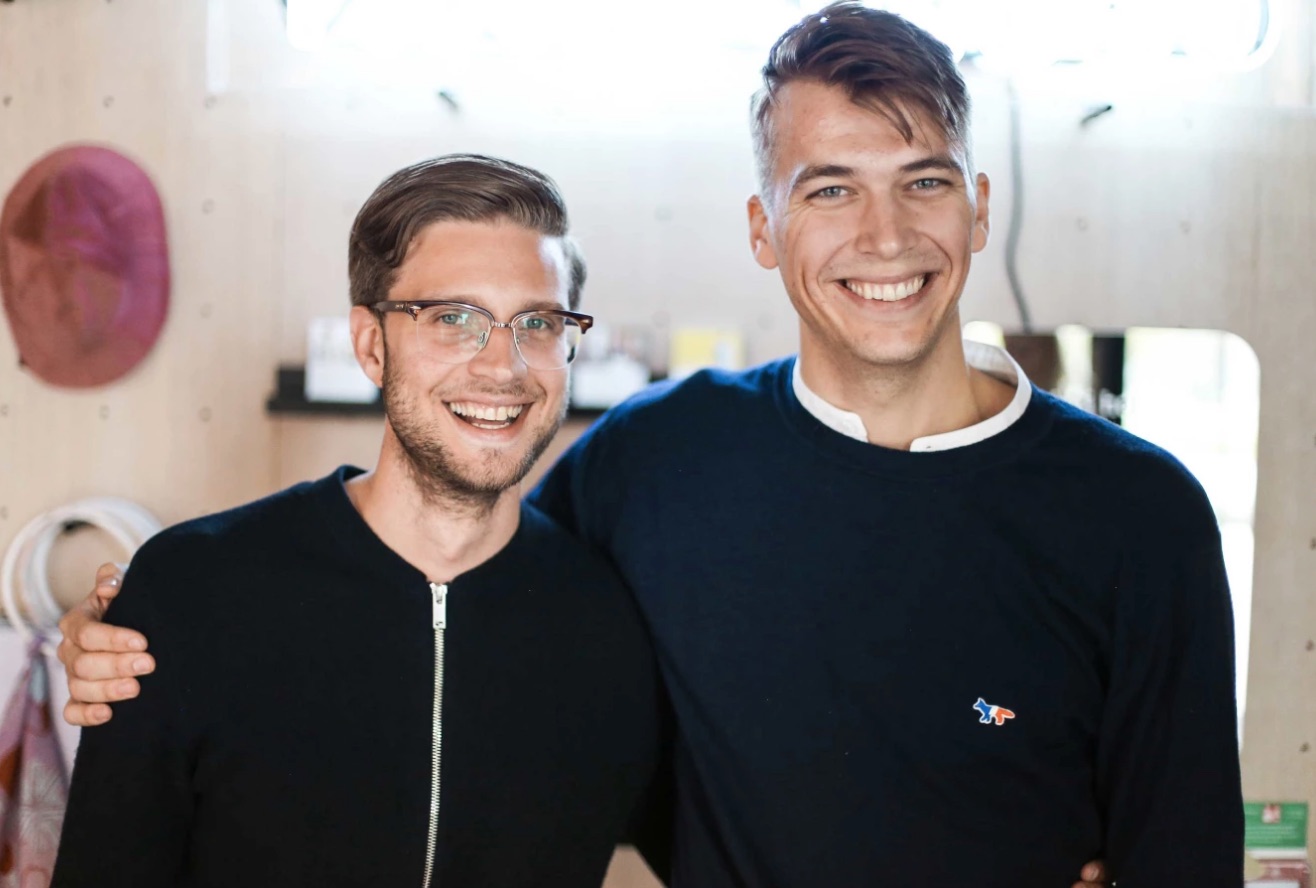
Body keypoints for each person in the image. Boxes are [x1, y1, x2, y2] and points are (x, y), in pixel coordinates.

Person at [56, 4, 1234, 886]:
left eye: (920, 183)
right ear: (763, 228)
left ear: (976, 206)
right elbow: (443, 568)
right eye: (829, 190)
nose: (884, 237)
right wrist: (138, 628)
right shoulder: (658, 460)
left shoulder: (1135, 515)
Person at [50, 155, 669, 888]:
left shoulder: (608, 622)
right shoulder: (190, 590)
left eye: (537, 323)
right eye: (453, 319)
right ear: (372, 346)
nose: (503, 367)